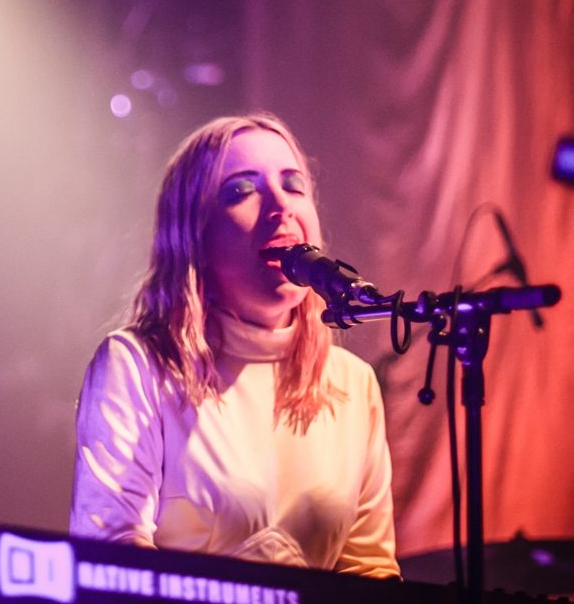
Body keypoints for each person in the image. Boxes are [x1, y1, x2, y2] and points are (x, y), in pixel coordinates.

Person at [70, 112, 399, 577]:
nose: (279, 206)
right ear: (194, 237)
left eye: (293, 185)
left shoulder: (352, 383)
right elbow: (112, 551)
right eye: (241, 191)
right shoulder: (137, 366)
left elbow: (370, 570)